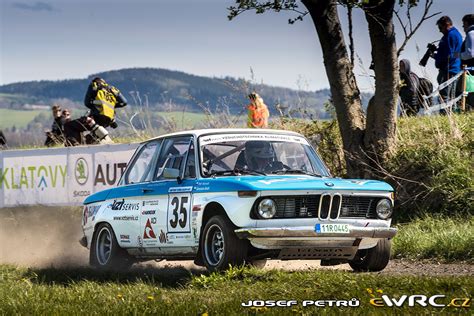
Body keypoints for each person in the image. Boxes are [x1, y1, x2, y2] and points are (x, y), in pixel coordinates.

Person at [64, 77, 127, 146]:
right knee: (91, 138)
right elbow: (124, 102)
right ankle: (90, 143)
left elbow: (87, 103)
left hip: (96, 117)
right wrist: (111, 106)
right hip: (108, 121)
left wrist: (94, 107)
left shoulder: (94, 85)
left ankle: (75, 147)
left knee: (69, 126)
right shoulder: (112, 89)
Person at [433, 16, 463, 111]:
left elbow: (449, 55)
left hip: (449, 70)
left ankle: (445, 116)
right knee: (449, 96)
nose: (439, 30)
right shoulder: (452, 35)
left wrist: (436, 56)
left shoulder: (451, 35)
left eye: (440, 28)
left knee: (444, 96)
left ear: (446, 24)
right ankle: (448, 117)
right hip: (450, 69)